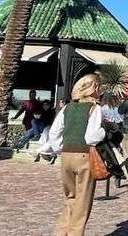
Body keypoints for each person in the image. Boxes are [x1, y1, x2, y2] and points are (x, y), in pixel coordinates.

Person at [49, 74, 106, 236]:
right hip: (84, 156)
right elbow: (92, 137)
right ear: (94, 88)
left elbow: (54, 133)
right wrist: (103, 131)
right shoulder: (94, 108)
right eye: (99, 87)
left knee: (70, 199)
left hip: (66, 155)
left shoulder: (67, 108)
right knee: (83, 202)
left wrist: (61, 148)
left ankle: (59, 233)